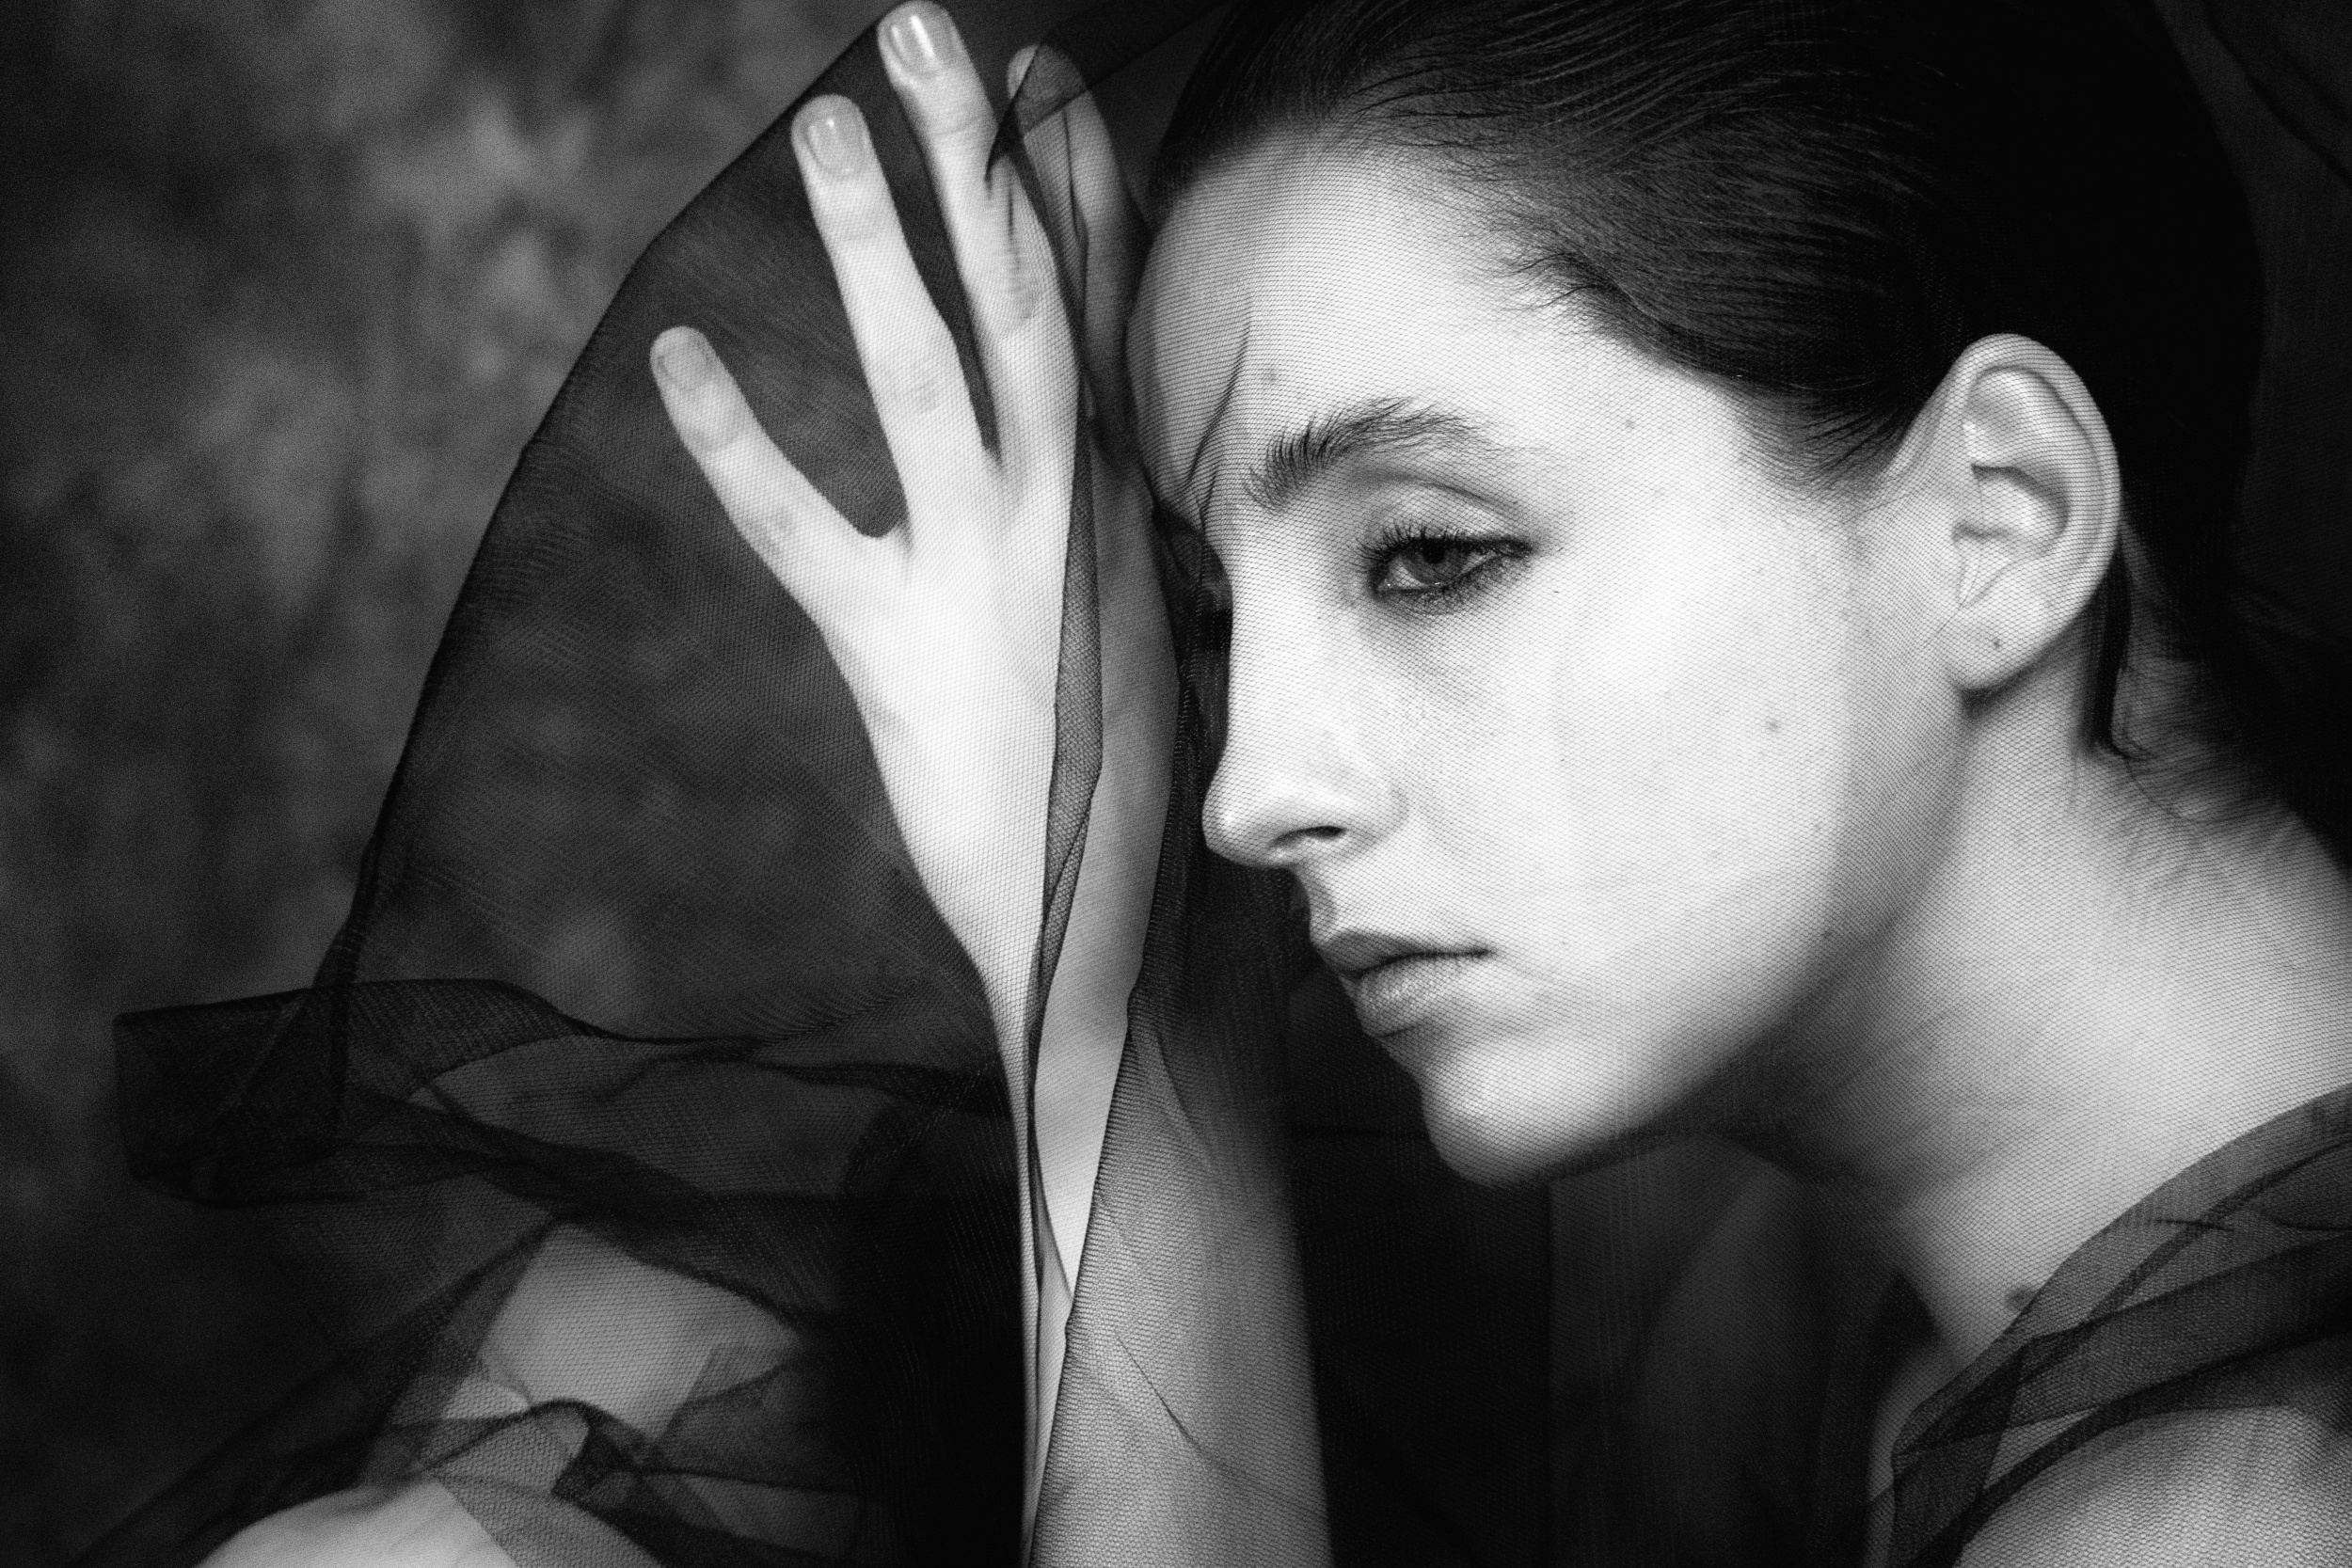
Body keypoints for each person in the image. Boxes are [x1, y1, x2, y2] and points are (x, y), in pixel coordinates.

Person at [89, 1, 2352, 1565]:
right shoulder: (1808, 1260)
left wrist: (1110, 1025)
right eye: (1203, 619)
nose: (1242, 793)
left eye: (1429, 555)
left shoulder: (2236, 1510)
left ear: (1997, 519)